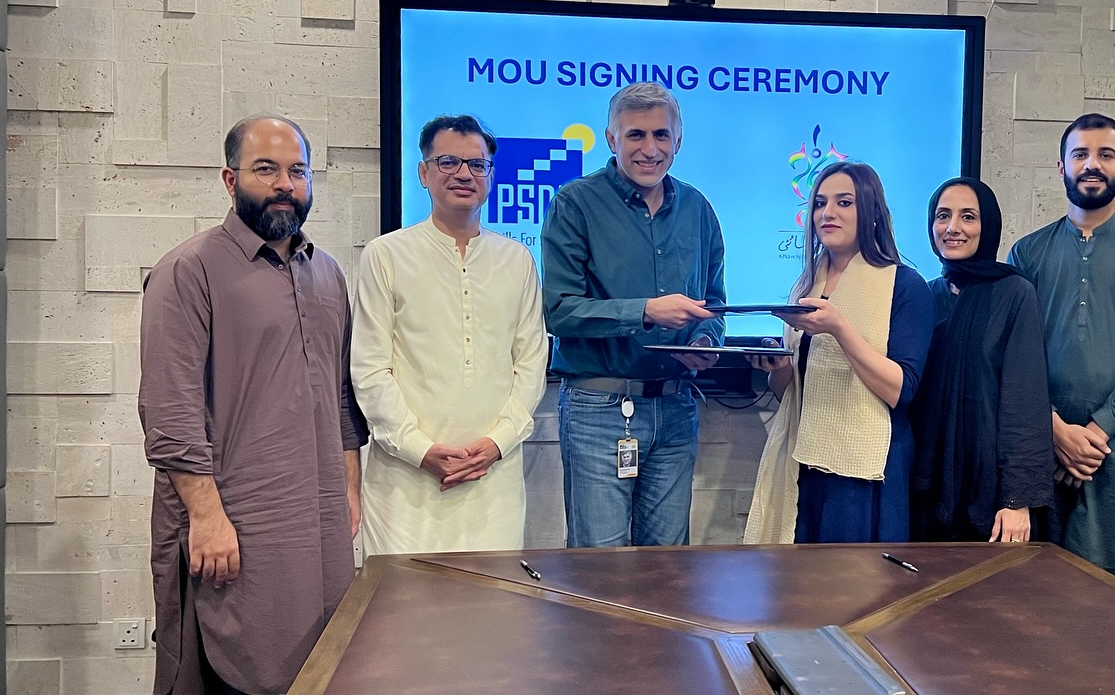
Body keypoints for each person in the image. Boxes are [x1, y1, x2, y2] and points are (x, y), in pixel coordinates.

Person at [139, 115, 367, 695]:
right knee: (231, 669)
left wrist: (349, 490)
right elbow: (170, 413)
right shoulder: (187, 271)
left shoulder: (328, 273)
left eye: (297, 171)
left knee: (323, 667)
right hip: (235, 523)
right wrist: (206, 517)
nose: (284, 184)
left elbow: (341, 396)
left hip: (318, 523)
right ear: (230, 179)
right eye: (265, 169)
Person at [350, 115, 547, 555]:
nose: (463, 174)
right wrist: (420, 450)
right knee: (403, 597)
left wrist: (496, 443)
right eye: (447, 162)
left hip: (493, 481)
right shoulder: (387, 255)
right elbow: (369, 368)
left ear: (491, 175)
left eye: (477, 165)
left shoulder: (517, 260)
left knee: (493, 596)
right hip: (406, 484)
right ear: (423, 172)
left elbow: (532, 363)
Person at [540, 82, 724, 548]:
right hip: (598, 408)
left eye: (661, 135)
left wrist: (706, 341)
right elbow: (558, 312)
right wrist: (644, 312)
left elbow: (713, 303)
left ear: (678, 140)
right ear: (611, 139)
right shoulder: (575, 203)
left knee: (668, 564)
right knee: (600, 564)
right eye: (635, 135)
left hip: (677, 406)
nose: (650, 149)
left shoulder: (699, 209)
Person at [1008, 113, 1115, 585]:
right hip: (1043, 443)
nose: (1092, 165)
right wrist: (1056, 430)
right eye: (1080, 154)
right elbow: (1013, 358)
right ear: (1060, 166)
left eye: (1106, 155)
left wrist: (1095, 431)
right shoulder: (1027, 253)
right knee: (1034, 586)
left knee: (1110, 592)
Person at [745, 161, 933, 544]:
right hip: (804, 459)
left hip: (865, 471)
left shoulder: (905, 286)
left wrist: (839, 328)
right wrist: (778, 368)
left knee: (854, 578)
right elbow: (790, 392)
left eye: (844, 202)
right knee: (799, 576)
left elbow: (901, 390)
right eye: (820, 203)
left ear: (872, 213)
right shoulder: (806, 285)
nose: (827, 213)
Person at [911, 177, 1053, 543]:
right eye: (943, 215)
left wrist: (1016, 500)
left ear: (987, 225)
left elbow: (1025, 404)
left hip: (990, 496)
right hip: (925, 490)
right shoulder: (927, 295)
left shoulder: (1015, 294)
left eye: (968, 216)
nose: (953, 227)